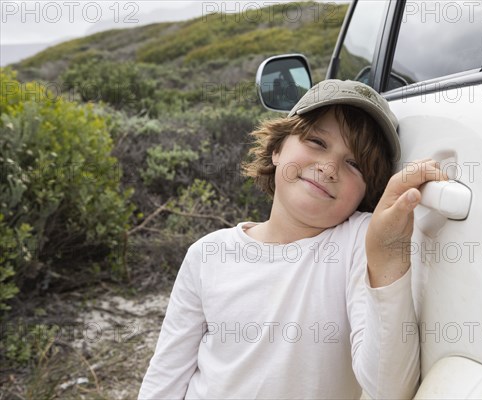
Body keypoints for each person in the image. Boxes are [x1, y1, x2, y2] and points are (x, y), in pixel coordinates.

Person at [138, 79, 447, 399]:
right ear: (276, 149)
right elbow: (166, 375)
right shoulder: (208, 253)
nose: (329, 168)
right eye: (316, 141)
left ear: (368, 191)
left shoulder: (359, 240)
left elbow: (389, 389)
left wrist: (388, 259)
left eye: (355, 164)